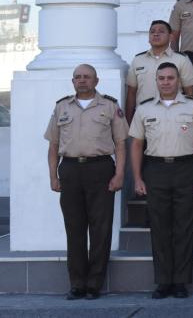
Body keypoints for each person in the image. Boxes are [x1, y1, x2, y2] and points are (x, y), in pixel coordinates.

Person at [129, 62, 193, 299]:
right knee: (159, 227)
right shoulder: (144, 108)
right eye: (162, 78)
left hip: (186, 169)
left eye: (170, 78)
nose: (166, 82)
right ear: (156, 81)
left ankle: (180, 282)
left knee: (184, 227)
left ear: (178, 80)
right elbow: (136, 144)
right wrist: (137, 177)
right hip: (155, 170)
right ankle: (163, 281)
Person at [45, 64, 128, 300]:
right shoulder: (61, 106)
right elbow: (53, 145)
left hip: (100, 169)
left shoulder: (110, 106)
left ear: (96, 81)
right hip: (70, 170)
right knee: (74, 229)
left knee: (100, 228)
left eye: (87, 77)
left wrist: (119, 174)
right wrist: (53, 175)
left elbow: (121, 143)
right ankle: (77, 284)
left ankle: (94, 284)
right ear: (73, 81)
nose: (82, 80)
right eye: (78, 77)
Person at [126, 20, 193, 124]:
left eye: (161, 31)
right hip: (144, 116)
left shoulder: (182, 59)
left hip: (174, 116)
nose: (156, 34)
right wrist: (128, 121)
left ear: (171, 37)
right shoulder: (138, 60)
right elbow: (131, 93)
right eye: (152, 31)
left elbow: (190, 92)